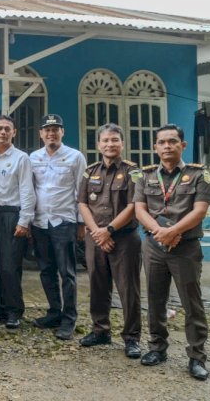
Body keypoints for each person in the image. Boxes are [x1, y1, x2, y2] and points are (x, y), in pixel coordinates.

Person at [134, 123, 210, 381]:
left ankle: (197, 357)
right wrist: (160, 232)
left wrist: (174, 231)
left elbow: (200, 210)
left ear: (183, 145)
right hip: (154, 245)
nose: (167, 146)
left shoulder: (198, 174)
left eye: (172, 141)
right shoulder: (145, 176)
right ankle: (157, 348)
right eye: (162, 142)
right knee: (155, 298)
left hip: (186, 247)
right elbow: (139, 210)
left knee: (191, 301)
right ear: (155, 147)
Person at [77, 123, 142, 358]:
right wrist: (97, 232)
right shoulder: (90, 171)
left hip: (124, 239)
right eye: (105, 140)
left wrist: (110, 230)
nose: (110, 144)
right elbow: (83, 203)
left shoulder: (133, 171)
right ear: (98, 145)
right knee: (97, 284)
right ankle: (100, 330)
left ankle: (132, 337)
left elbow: (135, 206)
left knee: (128, 289)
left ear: (122, 143)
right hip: (96, 238)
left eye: (114, 140)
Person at [30, 113, 86, 340]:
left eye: (56, 129)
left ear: (62, 132)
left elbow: (81, 192)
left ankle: (69, 318)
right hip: (40, 222)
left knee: (68, 273)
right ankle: (54, 312)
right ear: (41, 134)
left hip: (64, 221)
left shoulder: (75, 157)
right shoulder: (33, 157)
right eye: (47, 129)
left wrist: (81, 223)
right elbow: (30, 189)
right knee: (46, 270)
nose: (51, 133)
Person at [0, 115, 36, 329]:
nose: (3, 132)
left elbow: (27, 190)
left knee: (9, 266)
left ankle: (14, 311)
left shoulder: (22, 158)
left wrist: (24, 221)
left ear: (14, 133)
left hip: (12, 215)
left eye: (7, 129)